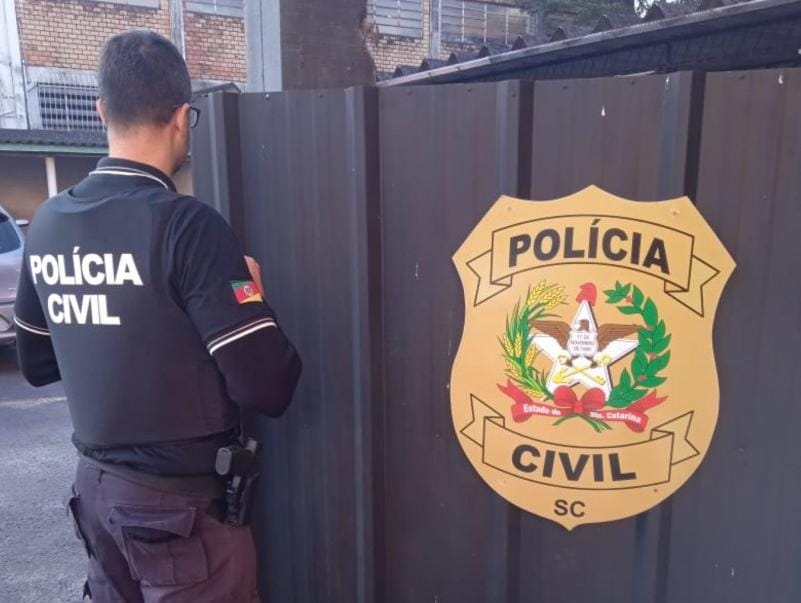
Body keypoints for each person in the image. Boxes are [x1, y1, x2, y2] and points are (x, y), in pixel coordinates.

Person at [13, 30, 301, 602]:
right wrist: (254, 299)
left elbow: (38, 363)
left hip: (97, 496)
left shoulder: (46, 224)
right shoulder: (188, 227)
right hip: (180, 517)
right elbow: (268, 385)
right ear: (180, 117)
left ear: (102, 112)